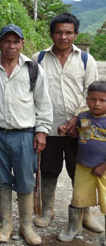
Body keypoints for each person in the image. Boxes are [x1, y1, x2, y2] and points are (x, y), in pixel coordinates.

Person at [0, 24, 53, 246]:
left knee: (25, 180)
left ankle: (26, 225)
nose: (11, 46)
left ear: (22, 43)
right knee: (0, 180)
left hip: (24, 134)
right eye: (6, 41)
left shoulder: (33, 69)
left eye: (15, 41)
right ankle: (6, 224)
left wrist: (42, 131)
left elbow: (43, 103)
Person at [31, 13, 102, 232]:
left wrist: (75, 119)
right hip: (48, 128)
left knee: (80, 172)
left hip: (80, 130)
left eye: (68, 32)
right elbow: (32, 92)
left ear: (76, 34)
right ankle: (46, 211)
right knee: (48, 171)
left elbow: (91, 92)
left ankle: (85, 214)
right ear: (51, 34)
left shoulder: (85, 59)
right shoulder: (39, 59)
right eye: (59, 32)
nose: (63, 36)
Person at [58, 81, 106, 243]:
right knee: (78, 198)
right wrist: (64, 130)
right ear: (87, 100)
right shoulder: (83, 117)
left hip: (104, 169)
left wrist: (103, 166)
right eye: (93, 99)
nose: (97, 103)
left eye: (102, 100)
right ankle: (73, 227)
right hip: (83, 167)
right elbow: (82, 136)